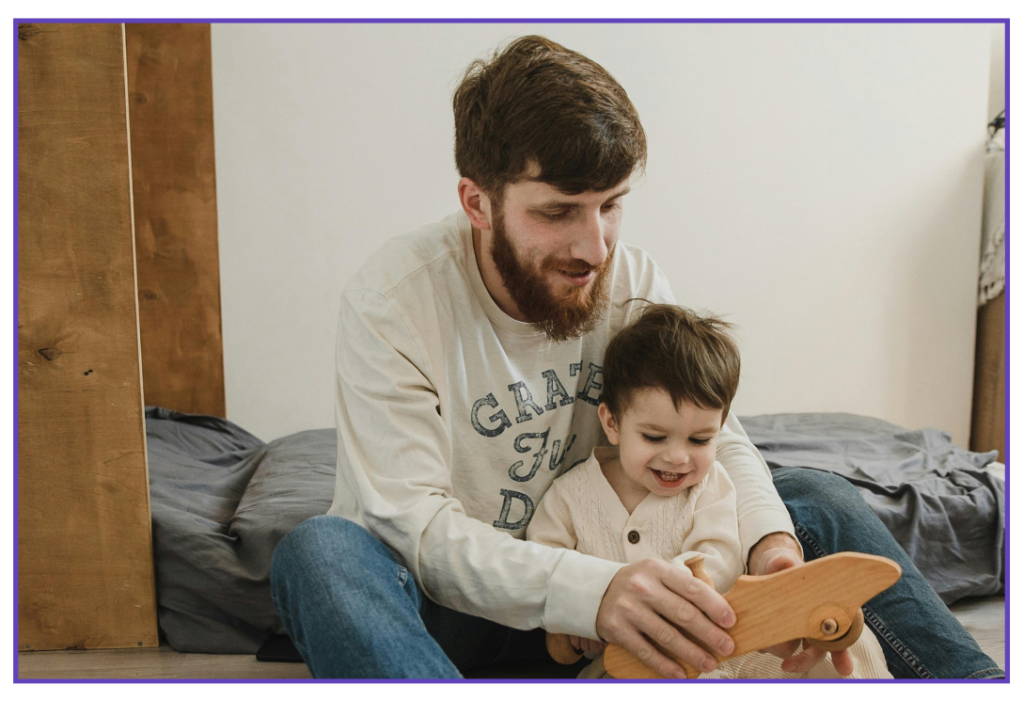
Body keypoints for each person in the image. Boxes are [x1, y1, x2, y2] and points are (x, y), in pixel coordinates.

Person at [269, 35, 1003, 680]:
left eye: (611, 204)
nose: (595, 247)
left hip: (631, 595)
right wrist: (592, 591)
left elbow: (724, 435)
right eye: (557, 212)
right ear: (477, 202)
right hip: (455, 611)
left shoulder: (631, 279)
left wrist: (773, 555)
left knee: (811, 495)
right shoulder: (394, 300)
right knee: (322, 552)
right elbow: (414, 529)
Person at [527, 304, 891, 679]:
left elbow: (720, 557)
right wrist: (575, 621)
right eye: (654, 437)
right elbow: (546, 571)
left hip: (730, 647)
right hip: (629, 664)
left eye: (700, 439)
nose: (677, 457)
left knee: (844, 656)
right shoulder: (569, 496)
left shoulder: (710, 484)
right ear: (612, 423)